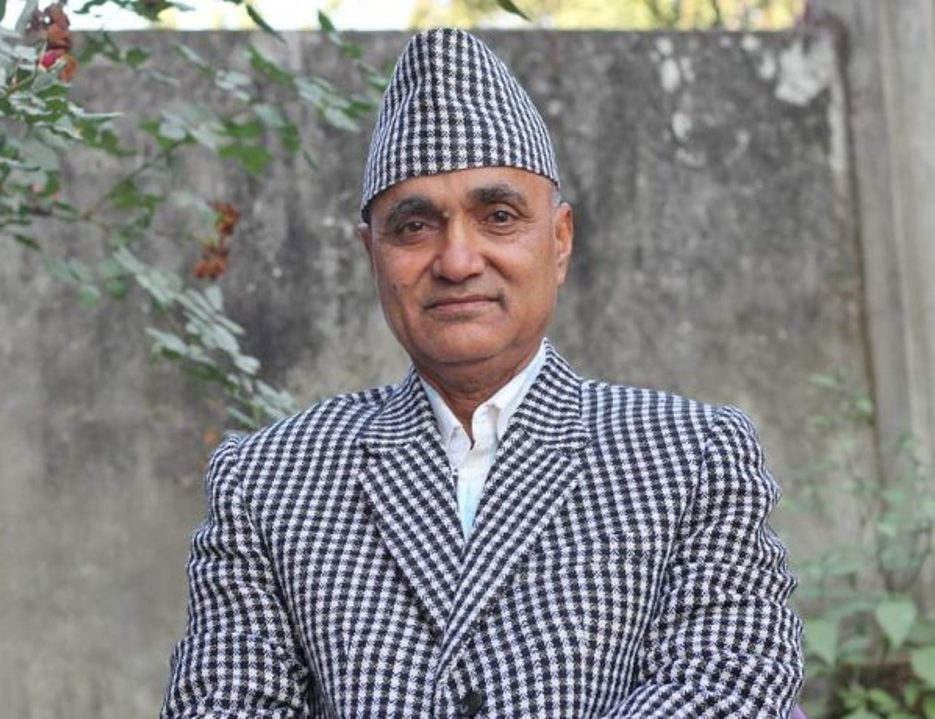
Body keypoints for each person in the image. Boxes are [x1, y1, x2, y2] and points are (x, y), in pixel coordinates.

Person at [161, 28, 803, 718]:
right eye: (415, 227)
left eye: (498, 216)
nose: (458, 261)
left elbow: (729, 686)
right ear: (371, 252)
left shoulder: (691, 455)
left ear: (559, 240)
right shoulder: (269, 480)